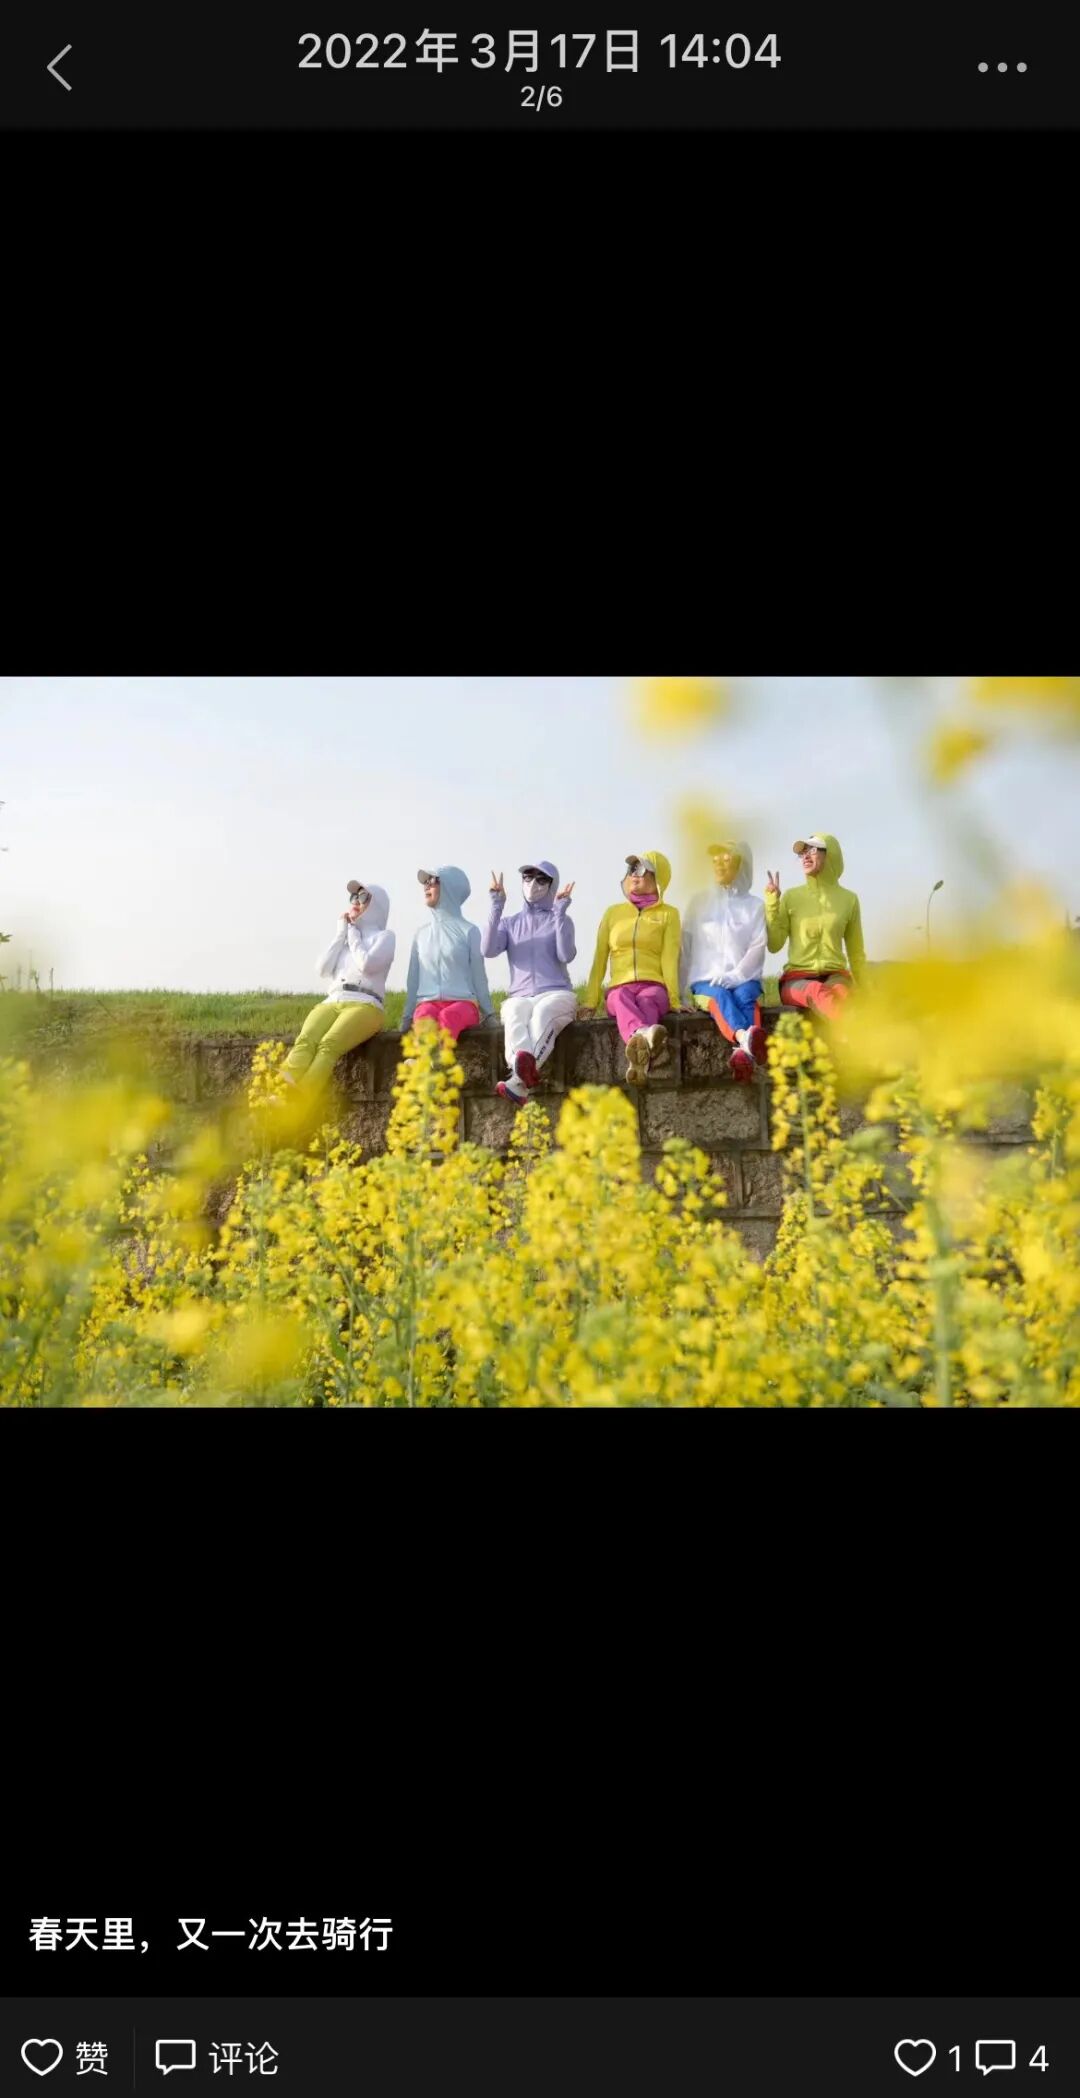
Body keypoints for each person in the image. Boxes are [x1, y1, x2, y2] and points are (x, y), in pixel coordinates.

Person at [279, 882, 395, 1096]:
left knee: (329, 1044)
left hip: (366, 1005)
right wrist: (341, 934)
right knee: (306, 1039)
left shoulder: (384, 937)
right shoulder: (346, 938)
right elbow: (322, 969)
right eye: (354, 897)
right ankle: (280, 1089)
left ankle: (300, 1097)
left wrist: (353, 936)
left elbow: (367, 965)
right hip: (333, 999)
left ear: (377, 905)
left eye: (363, 897)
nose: (356, 902)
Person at [579, 851, 683, 1085]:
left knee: (648, 1000)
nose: (634, 874)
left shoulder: (669, 914)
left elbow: (669, 958)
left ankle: (638, 1061)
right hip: (620, 987)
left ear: (658, 877)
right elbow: (600, 958)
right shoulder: (612, 913)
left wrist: (675, 1000)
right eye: (631, 869)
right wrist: (590, 1001)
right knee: (619, 997)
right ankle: (642, 1035)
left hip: (653, 985)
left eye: (642, 869)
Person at [483, 860, 578, 1103]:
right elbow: (488, 949)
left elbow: (565, 955)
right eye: (528, 877)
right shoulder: (510, 923)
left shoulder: (561, 919)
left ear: (552, 885)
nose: (533, 883)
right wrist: (496, 906)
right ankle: (520, 1079)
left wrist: (559, 913)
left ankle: (518, 1078)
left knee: (542, 1015)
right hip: (520, 994)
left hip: (557, 993)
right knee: (513, 1011)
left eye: (541, 879)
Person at [680, 840, 767, 1082]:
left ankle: (742, 1054)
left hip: (745, 978)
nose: (719, 864)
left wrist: (737, 975)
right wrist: (679, 993)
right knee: (720, 997)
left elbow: (758, 945)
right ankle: (744, 1040)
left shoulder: (755, 906)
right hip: (706, 981)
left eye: (726, 858)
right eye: (715, 858)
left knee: (745, 996)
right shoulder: (698, 902)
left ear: (742, 864)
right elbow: (685, 948)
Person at [764, 832, 866, 1019]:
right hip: (796, 980)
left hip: (836, 976)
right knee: (817, 991)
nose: (805, 856)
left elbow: (856, 951)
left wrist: (865, 988)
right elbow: (774, 945)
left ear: (830, 855)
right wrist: (772, 904)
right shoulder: (791, 897)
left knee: (844, 993)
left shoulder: (849, 900)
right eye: (802, 853)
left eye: (812, 850)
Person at [400, 866, 494, 1041]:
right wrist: (407, 1016)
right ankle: (432, 1058)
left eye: (432, 881)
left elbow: (479, 976)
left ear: (450, 887)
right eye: (424, 882)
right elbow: (413, 980)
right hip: (427, 1002)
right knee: (424, 1017)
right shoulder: (421, 934)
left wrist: (489, 1014)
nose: (426, 886)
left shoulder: (470, 931)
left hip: (464, 1004)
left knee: (448, 1017)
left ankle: (433, 1057)